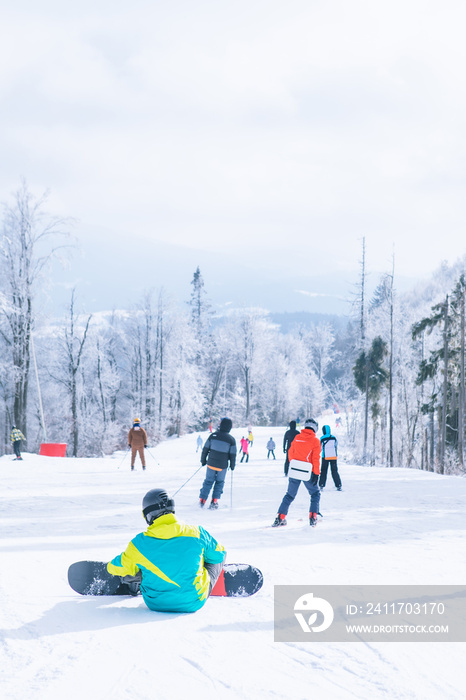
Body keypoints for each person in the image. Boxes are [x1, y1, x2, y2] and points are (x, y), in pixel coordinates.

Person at [107, 488, 226, 613]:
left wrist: (113, 565)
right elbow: (219, 555)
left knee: (136, 565)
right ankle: (196, 577)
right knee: (215, 552)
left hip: (155, 603)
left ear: (147, 515)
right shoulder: (196, 533)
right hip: (193, 601)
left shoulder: (139, 544)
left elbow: (114, 568)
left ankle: (137, 583)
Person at [272, 418, 321, 527]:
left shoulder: (297, 438)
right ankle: (313, 517)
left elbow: (290, 453)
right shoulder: (315, 441)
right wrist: (316, 473)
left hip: (294, 470)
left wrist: (294, 465)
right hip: (308, 472)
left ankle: (280, 517)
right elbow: (316, 459)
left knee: (289, 495)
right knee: (315, 493)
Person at [199, 417, 236, 509]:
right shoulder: (231, 440)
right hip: (222, 466)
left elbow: (205, 449)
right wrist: (232, 465)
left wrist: (203, 460)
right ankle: (214, 501)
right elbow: (233, 454)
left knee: (208, 481)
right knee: (219, 482)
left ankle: (202, 500)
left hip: (211, 464)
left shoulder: (213, 435)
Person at [320, 424, 342, 490]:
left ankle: (321, 484)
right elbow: (336, 445)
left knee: (324, 471)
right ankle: (338, 485)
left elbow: (320, 447)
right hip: (333, 456)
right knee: (334, 471)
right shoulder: (333, 437)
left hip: (325, 457)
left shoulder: (322, 438)